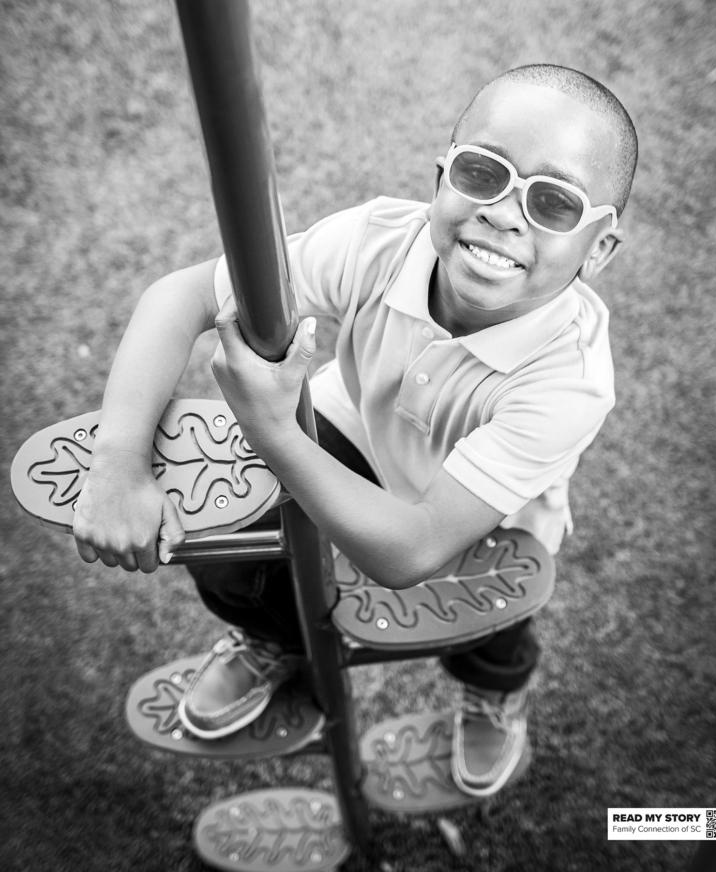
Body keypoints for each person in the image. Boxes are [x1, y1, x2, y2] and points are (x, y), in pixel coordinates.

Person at [73, 63, 637, 798]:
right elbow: (180, 296)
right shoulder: (380, 241)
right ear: (441, 178)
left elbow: (415, 549)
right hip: (354, 426)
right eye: (481, 172)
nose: (504, 213)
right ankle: (275, 643)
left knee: (489, 624)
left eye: (554, 203)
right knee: (241, 549)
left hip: (482, 513)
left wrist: (273, 427)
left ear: (598, 249)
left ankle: (494, 691)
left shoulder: (572, 380)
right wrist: (118, 462)